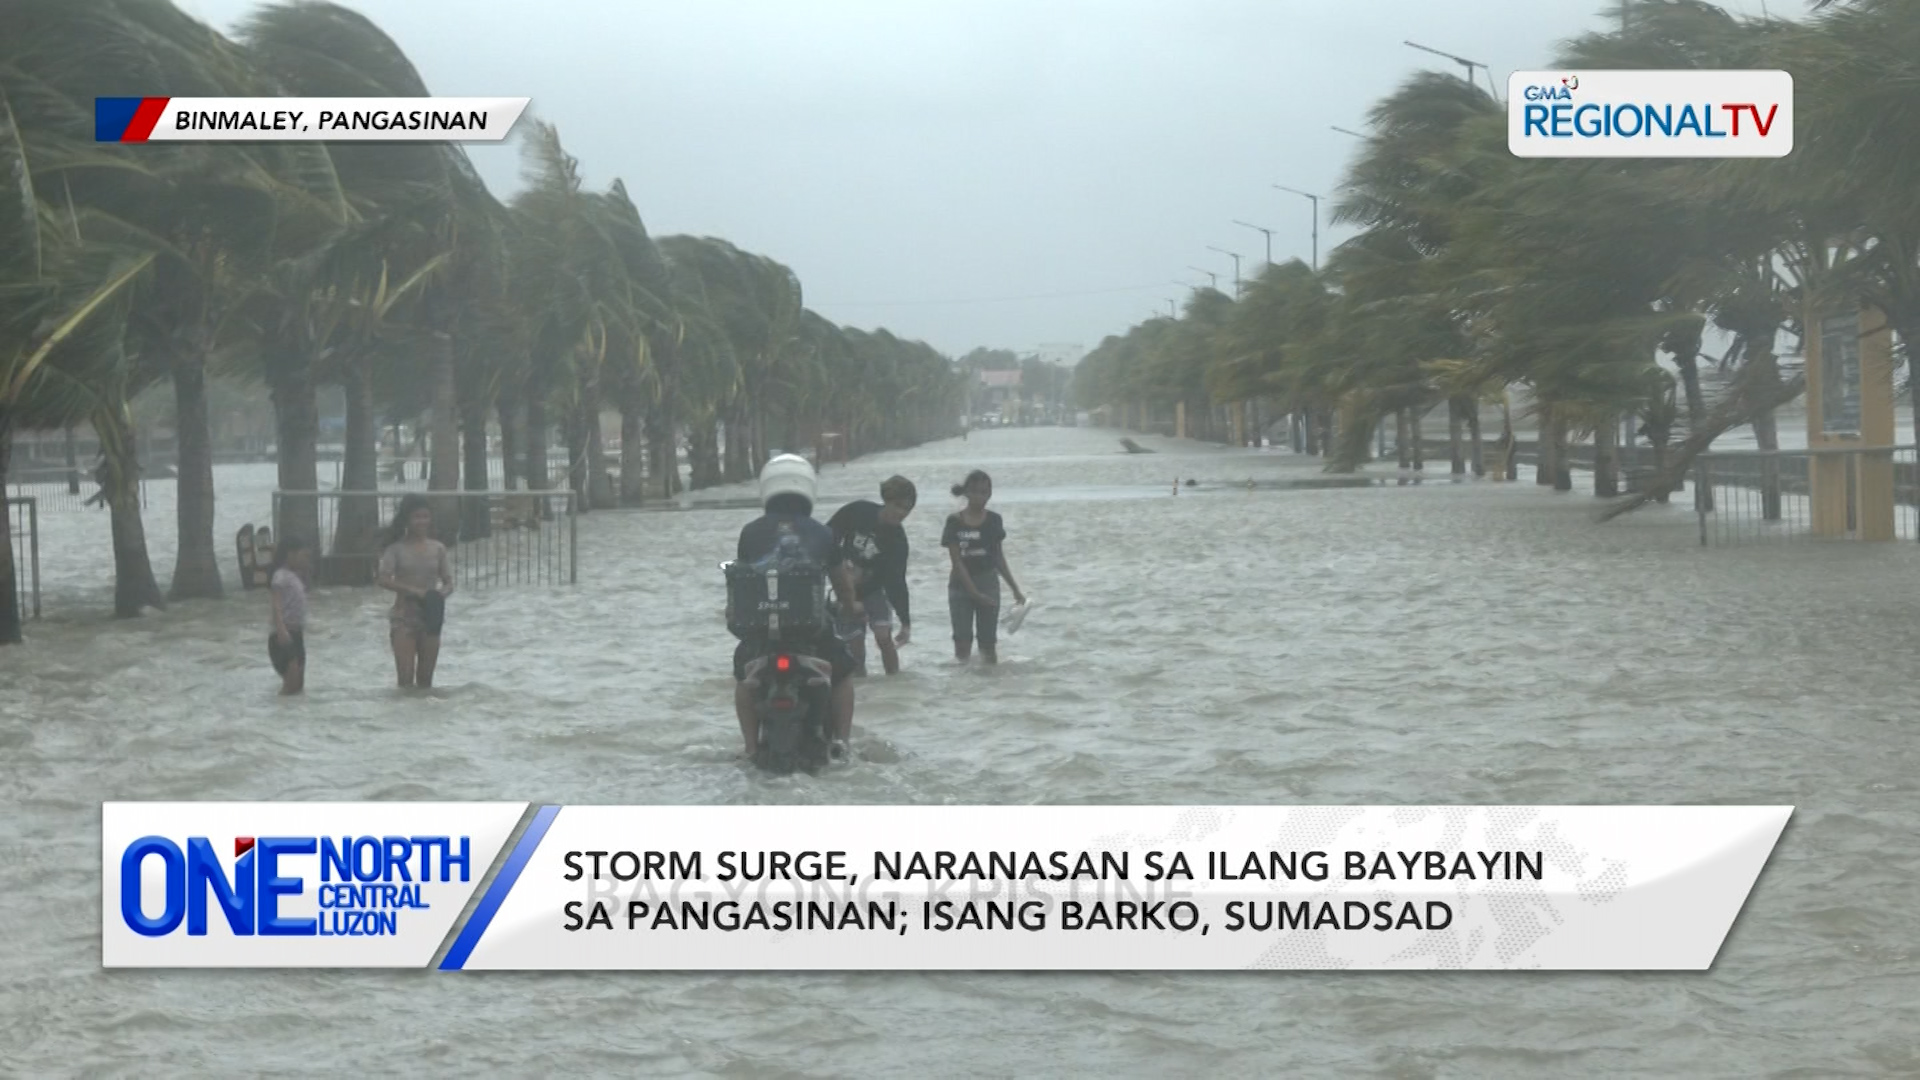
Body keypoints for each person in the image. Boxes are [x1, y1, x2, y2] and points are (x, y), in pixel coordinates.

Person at [732, 454, 861, 761]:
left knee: (742, 677)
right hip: (813, 633)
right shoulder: (823, 532)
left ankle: (750, 747)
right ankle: (842, 742)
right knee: (844, 674)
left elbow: (741, 580)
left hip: (762, 633)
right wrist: (850, 605)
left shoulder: (750, 532)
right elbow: (842, 582)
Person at [827, 475, 917, 676]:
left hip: (875, 591)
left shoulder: (898, 541)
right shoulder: (859, 511)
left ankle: (895, 682)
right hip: (844, 589)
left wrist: (905, 621)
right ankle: (863, 691)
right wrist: (841, 564)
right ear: (887, 499)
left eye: (907, 509)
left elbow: (897, 582)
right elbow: (827, 535)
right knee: (855, 648)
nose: (901, 513)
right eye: (898, 505)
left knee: (883, 637)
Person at [943, 469, 1025, 664]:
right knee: (962, 644)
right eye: (975, 492)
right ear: (967, 493)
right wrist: (973, 593)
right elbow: (956, 561)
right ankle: (963, 690)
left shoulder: (994, 521)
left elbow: (998, 558)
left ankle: (990, 692)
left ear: (990, 494)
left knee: (988, 645)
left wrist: (1015, 589)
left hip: (988, 584)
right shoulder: (954, 521)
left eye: (985, 492)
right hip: (960, 586)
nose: (980, 497)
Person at [378, 494, 455, 689]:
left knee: (426, 682)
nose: (422, 521)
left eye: (425, 516)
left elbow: (449, 582)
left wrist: (438, 595)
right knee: (405, 680)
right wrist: (413, 591)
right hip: (403, 616)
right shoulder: (395, 549)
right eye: (417, 517)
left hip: (430, 616)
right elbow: (383, 579)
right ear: (406, 520)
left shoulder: (438, 549)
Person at [267, 536, 313, 696]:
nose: (306, 560)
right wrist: (280, 629)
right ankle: (276, 713)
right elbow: (276, 604)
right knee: (291, 684)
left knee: (298, 686)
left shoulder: (295, 577)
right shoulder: (280, 576)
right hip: (283, 635)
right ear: (290, 554)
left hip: (296, 634)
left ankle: (291, 717)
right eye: (303, 556)